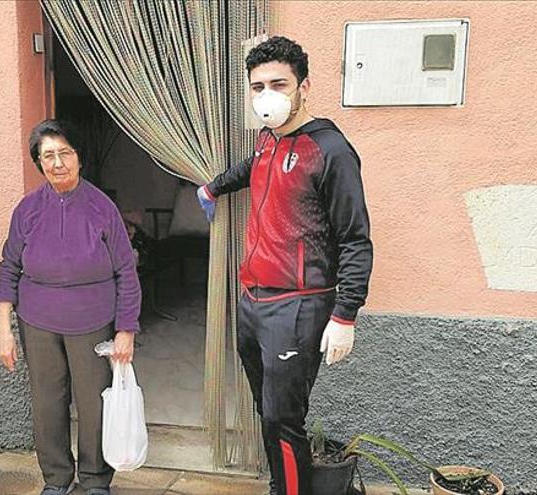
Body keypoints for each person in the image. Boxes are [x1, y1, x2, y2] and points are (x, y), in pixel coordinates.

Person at [196, 37, 373, 495]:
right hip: (253, 300)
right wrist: (213, 188)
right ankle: (282, 484)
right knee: (266, 412)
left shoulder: (331, 150)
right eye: (257, 87)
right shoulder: (267, 140)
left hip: (298, 306)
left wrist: (345, 314)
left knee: (283, 418)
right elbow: (251, 169)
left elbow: (355, 238)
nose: (266, 95)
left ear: (304, 87)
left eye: (278, 84)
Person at [0, 119, 141, 495]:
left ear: (78, 158)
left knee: (94, 403)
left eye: (65, 153)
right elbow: (8, 267)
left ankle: (94, 479)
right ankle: (56, 478)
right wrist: (4, 329)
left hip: (92, 321)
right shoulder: (27, 209)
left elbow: (126, 269)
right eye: (48, 156)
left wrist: (125, 330)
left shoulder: (101, 207)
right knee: (47, 402)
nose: (57, 162)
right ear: (39, 163)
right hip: (37, 321)